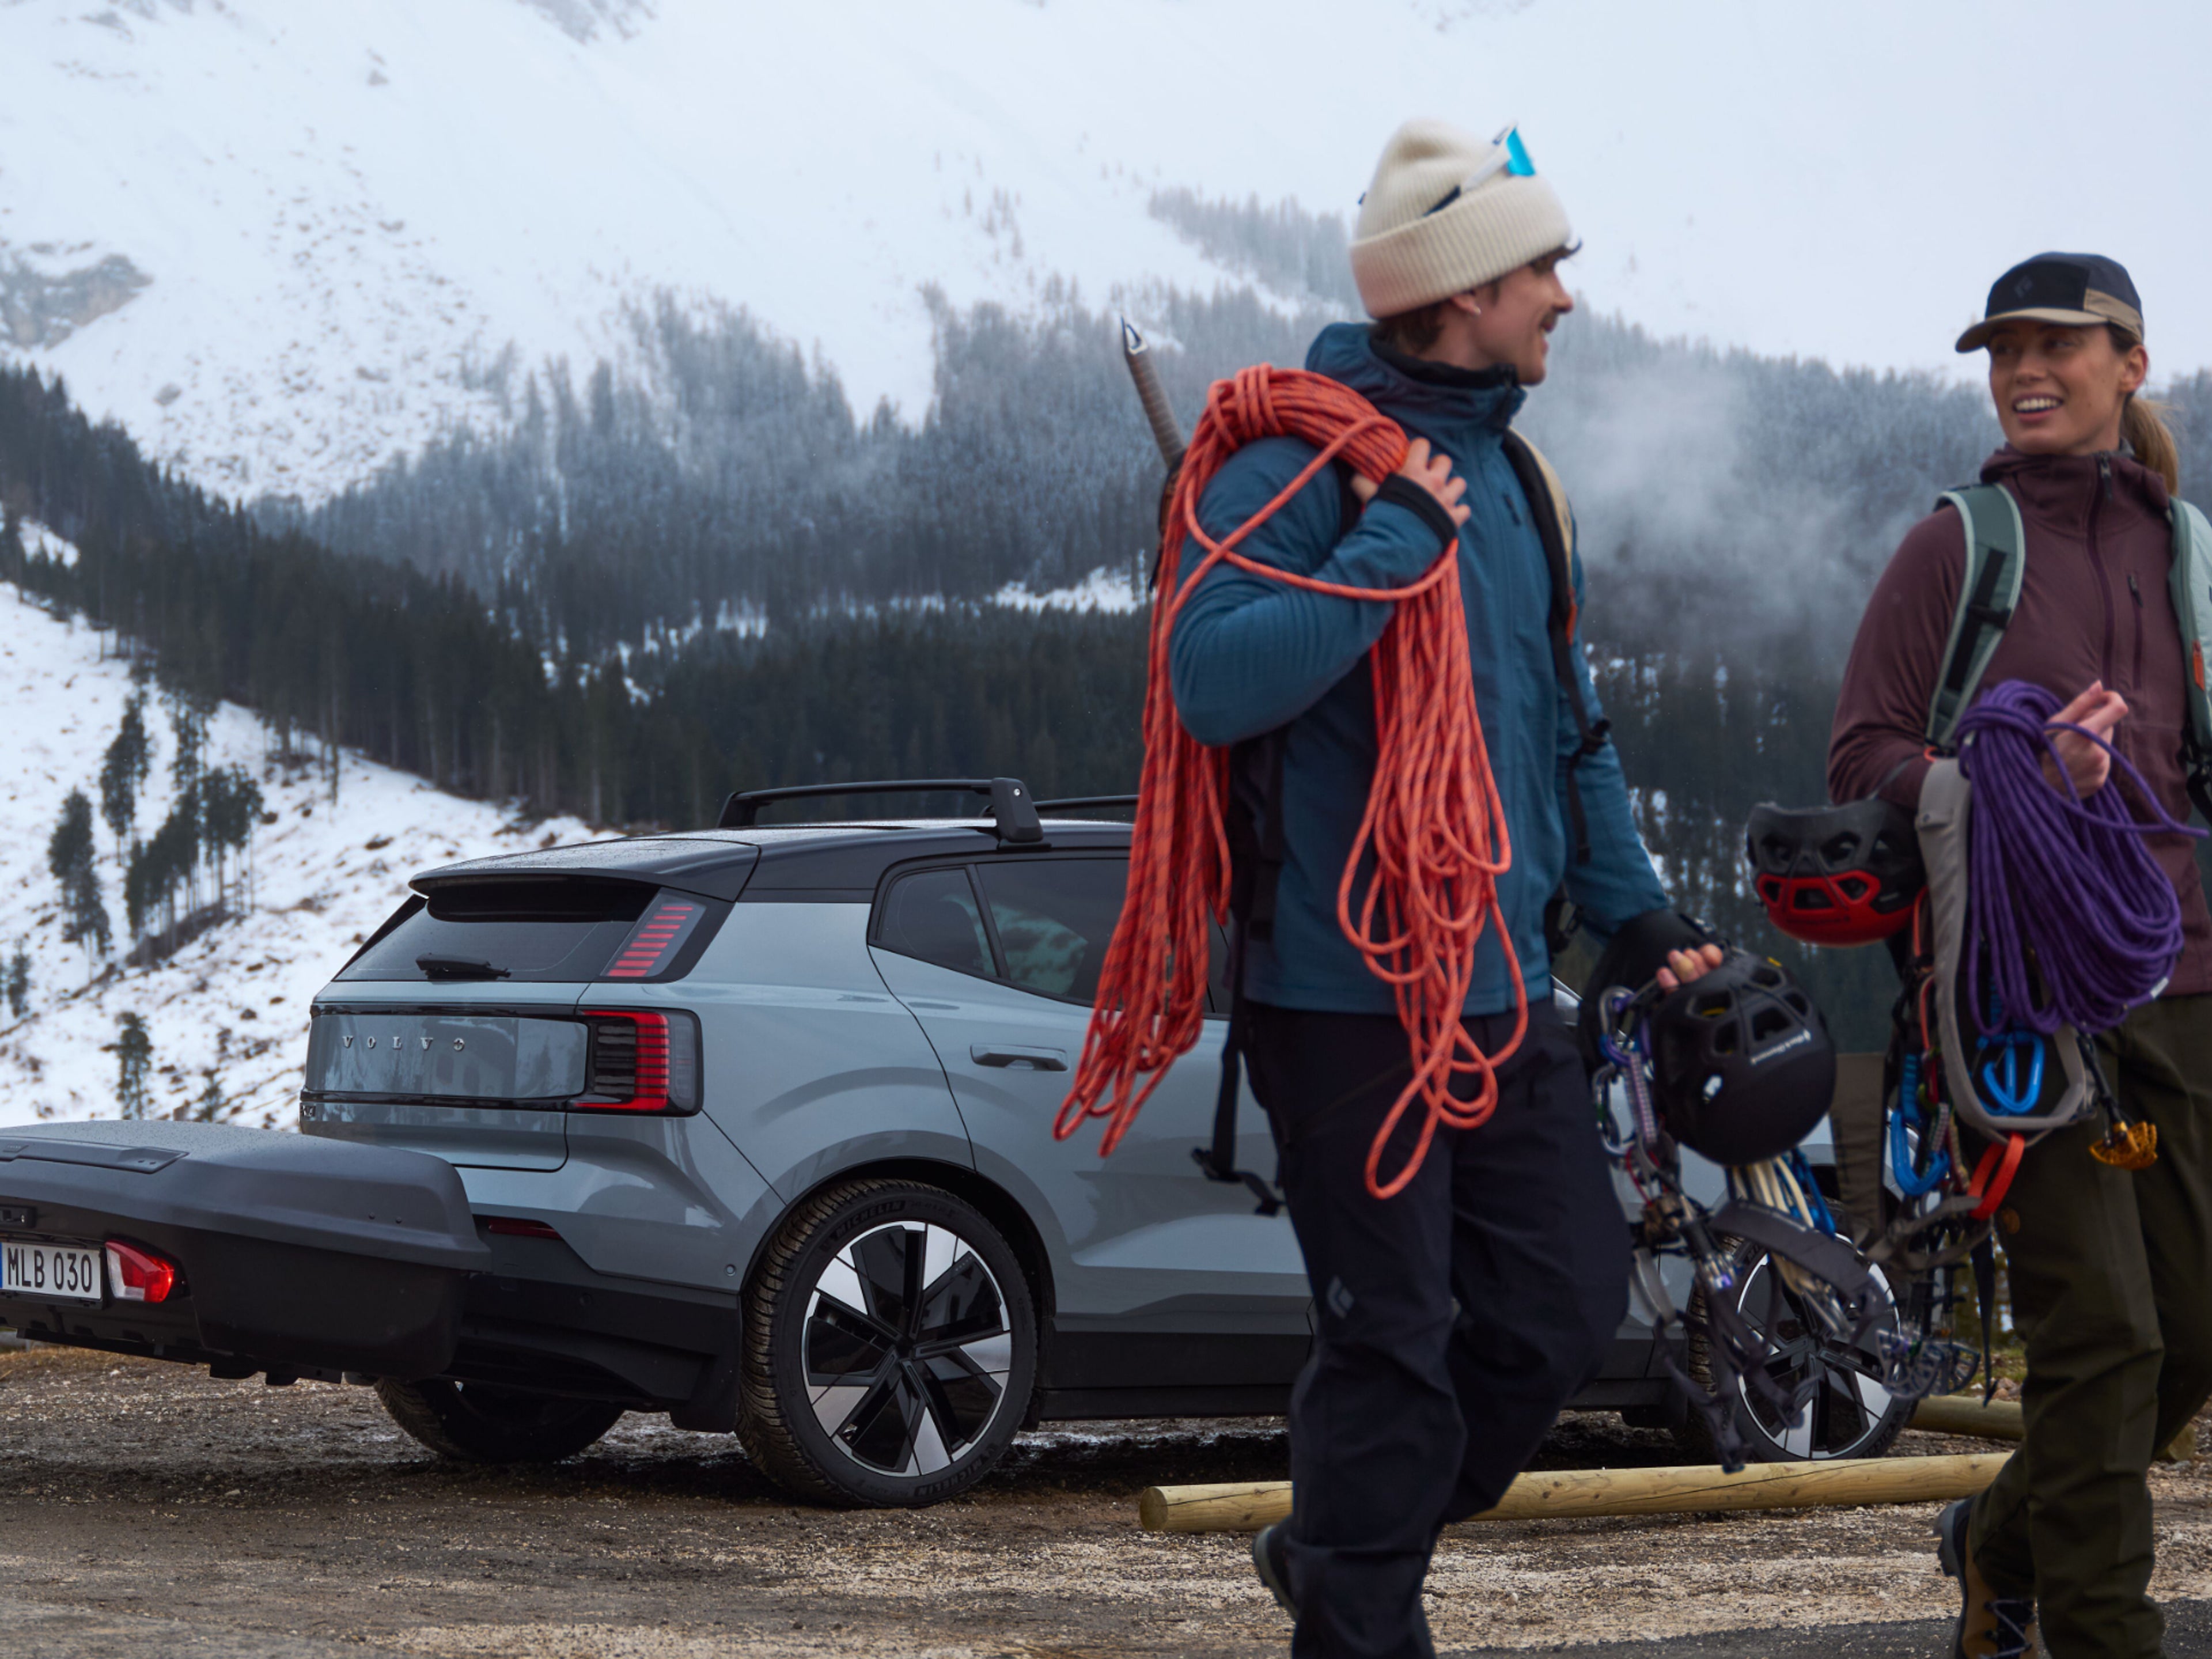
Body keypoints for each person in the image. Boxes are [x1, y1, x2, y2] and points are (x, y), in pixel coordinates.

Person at [1168, 118, 1717, 1659]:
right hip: (1341, 1001)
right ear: (1464, 286)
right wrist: (1393, 537)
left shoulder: (1523, 485)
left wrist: (1641, 913)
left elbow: (1571, 733)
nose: (1566, 297)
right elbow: (1212, 682)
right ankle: (1363, 1615)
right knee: (1393, 1344)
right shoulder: (1293, 463)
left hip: (1500, 995)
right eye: (1545, 265)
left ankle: (1338, 1541)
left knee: (1553, 1317)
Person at [1830, 252, 2212, 1659]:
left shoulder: (2189, 554)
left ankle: (1999, 1538)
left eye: (2059, 344)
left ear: (2131, 363)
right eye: (2005, 351)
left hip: (2182, 986)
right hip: (2015, 1001)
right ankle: (2102, 1631)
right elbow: (1864, 754)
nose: (2026, 370)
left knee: (2195, 1332)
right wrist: (2015, 782)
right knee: (2104, 1329)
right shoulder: (1960, 549)